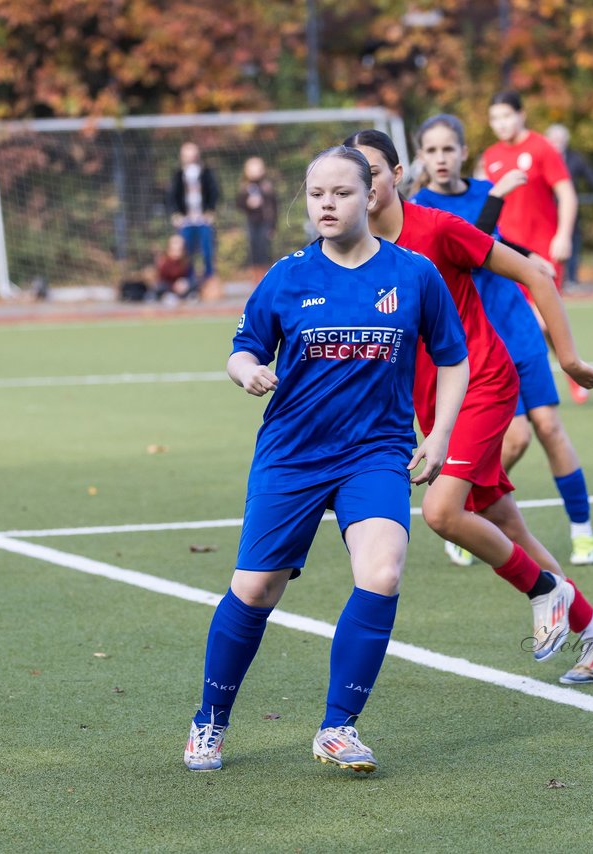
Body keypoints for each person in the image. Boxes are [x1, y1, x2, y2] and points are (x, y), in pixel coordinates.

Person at [183, 146, 471, 774]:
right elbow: (240, 349)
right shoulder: (286, 276)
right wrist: (249, 372)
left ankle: (338, 727)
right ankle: (211, 719)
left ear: (370, 196)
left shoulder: (414, 274)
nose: (327, 206)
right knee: (256, 588)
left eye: (341, 193)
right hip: (293, 454)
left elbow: (454, 358)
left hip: (376, 451)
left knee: (384, 570)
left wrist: (441, 433)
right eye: (317, 195)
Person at [344, 128, 593, 688]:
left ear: (398, 176)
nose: (360, 184)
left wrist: (567, 359)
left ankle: (545, 591)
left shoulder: (437, 227)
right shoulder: (352, 252)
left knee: (443, 514)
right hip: (434, 401)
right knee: (504, 524)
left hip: (482, 382)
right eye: (350, 175)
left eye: (371, 170)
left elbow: (533, 272)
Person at [412, 113, 593, 567]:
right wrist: (496, 198)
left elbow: (500, 247)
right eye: (432, 150)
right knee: (513, 441)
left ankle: (583, 531)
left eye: (448, 149)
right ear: (421, 157)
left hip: (517, 329)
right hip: (475, 344)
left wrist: (531, 255)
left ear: (464, 153)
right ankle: (465, 516)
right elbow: (473, 253)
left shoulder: (483, 194)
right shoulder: (417, 209)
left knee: (551, 427)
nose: (441, 158)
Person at [481, 93, 589, 405]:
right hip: (504, 254)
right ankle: (540, 379)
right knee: (523, 320)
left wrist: (563, 235)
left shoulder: (542, 148)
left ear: (521, 115)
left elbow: (567, 194)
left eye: (506, 116)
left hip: (542, 251)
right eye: (495, 118)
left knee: (541, 320)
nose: (501, 124)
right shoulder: (490, 156)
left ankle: (568, 369)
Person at [545, 123, 593, 288]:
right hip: (547, 210)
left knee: (572, 241)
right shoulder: (542, 157)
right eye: (553, 140)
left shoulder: (575, 158)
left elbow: (590, 174)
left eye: (560, 140)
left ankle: (572, 277)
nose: (557, 143)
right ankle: (550, 277)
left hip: (569, 210)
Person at [168, 141, 219, 293]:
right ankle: (189, 283)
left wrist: (210, 211)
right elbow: (172, 195)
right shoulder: (178, 174)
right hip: (186, 220)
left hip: (202, 219)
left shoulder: (206, 172)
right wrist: (177, 214)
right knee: (186, 253)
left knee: (207, 251)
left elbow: (214, 192)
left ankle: (209, 282)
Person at [236, 156, 278, 282]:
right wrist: (248, 203)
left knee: (264, 248)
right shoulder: (244, 187)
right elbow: (239, 204)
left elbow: (275, 206)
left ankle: (267, 275)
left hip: (265, 222)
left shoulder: (267, 186)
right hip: (251, 222)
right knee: (253, 248)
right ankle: (256, 275)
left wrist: (273, 226)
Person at [153, 233, 194, 302]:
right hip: (167, 289)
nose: (176, 253)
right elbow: (160, 281)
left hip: (183, 289)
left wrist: (185, 283)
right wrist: (173, 286)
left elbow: (192, 277)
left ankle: (187, 298)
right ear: (169, 249)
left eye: (179, 250)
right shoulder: (163, 262)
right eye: (174, 250)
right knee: (159, 287)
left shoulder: (186, 262)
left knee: (194, 284)